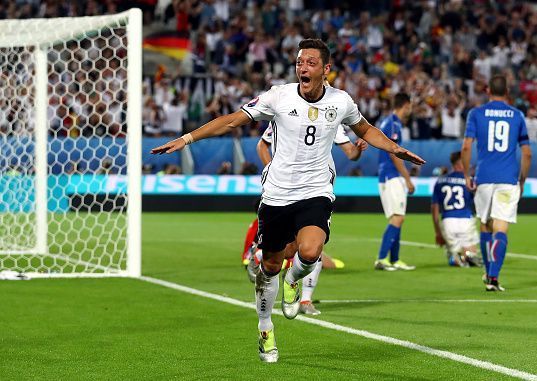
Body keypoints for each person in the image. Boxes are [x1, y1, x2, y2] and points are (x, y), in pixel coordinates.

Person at [151, 38, 425, 363]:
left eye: (310, 62)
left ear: (326, 69)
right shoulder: (278, 96)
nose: (302, 67)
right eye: (299, 62)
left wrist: (393, 147)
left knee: (310, 250)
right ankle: (265, 328)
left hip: (315, 190)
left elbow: (365, 129)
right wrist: (187, 138)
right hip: (278, 194)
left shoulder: (341, 101)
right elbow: (232, 120)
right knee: (268, 267)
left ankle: (294, 278)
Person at [254, 121, 367, 315]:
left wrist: (358, 150)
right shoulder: (286, 111)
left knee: (312, 249)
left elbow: (350, 153)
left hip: (316, 192)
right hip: (284, 192)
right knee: (289, 249)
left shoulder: (332, 115)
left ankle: (304, 298)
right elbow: (262, 144)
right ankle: (258, 256)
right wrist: (273, 172)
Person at [461, 74, 532, 292]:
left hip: (484, 178)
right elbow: (527, 153)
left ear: (488, 91)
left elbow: (466, 147)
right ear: (508, 93)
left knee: (485, 224)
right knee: (501, 226)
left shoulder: (476, 113)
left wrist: (466, 174)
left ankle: (488, 272)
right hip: (507, 179)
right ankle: (493, 276)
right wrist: (522, 180)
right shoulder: (517, 115)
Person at [374, 93, 417, 272]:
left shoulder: (392, 123)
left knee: (397, 217)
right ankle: (382, 259)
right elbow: (393, 153)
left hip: (389, 176)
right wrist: (407, 179)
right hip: (391, 176)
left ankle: (395, 259)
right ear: (406, 105)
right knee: (398, 218)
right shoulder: (392, 123)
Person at [431, 151, 481, 267]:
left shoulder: (440, 181)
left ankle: (455, 256)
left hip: (448, 222)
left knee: (458, 255)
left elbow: (434, 208)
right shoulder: (469, 180)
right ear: (460, 164)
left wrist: (438, 232)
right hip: (466, 221)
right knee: (472, 256)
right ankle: (464, 256)